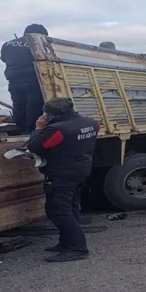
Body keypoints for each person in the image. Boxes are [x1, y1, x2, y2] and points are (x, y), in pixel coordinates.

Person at [27, 97, 99, 262]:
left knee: (57, 210)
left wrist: (38, 128)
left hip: (62, 174)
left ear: (50, 114)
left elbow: (35, 146)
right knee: (71, 207)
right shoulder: (91, 123)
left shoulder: (56, 130)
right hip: (81, 170)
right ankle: (66, 242)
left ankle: (77, 248)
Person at [0, 24, 48, 134]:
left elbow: (3, 59)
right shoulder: (36, 42)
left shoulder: (7, 44)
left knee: (18, 105)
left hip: (13, 80)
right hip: (31, 78)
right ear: (39, 34)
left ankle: (20, 129)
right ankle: (31, 131)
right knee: (34, 105)